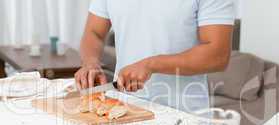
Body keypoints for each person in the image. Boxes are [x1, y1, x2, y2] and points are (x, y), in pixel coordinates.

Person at [75, 0, 235, 112]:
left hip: (183, 118)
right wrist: (90, 62)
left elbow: (218, 54)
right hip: (123, 109)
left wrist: (152, 64)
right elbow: (94, 32)